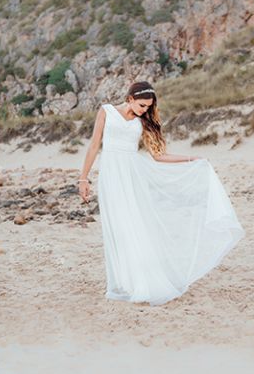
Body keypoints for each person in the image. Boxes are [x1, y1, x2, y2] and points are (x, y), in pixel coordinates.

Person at [78, 81, 244, 305]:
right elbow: (93, 146)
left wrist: (191, 159)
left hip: (132, 177)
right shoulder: (106, 111)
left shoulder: (143, 121)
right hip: (111, 177)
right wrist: (83, 178)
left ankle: (142, 281)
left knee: (134, 225)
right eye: (142, 105)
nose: (144, 110)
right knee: (117, 228)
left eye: (148, 107)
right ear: (130, 99)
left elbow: (158, 156)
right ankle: (126, 281)